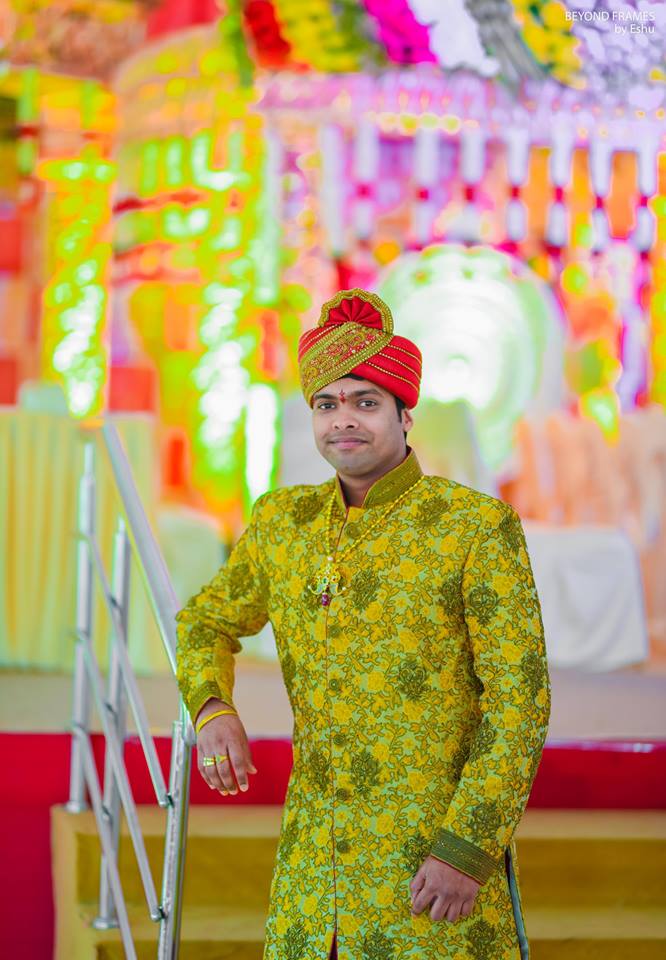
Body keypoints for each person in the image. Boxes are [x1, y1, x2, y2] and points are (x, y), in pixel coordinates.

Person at [175, 288, 551, 960]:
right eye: (326, 404)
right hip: (312, 881)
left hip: (431, 870)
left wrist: (468, 848)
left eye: (365, 402)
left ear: (406, 415)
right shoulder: (283, 523)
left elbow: (520, 702)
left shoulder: (473, 527)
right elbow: (205, 620)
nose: (342, 420)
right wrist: (210, 706)